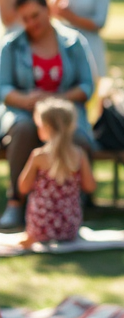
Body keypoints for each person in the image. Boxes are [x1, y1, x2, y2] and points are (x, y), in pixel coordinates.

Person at [0, 0, 96, 230]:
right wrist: (27, 100)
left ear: (47, 9)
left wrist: (59, 99)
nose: (31, 23)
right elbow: (3, 87)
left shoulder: (73, 41)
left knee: (78, 139)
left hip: (65, 114)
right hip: (26, 113)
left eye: (35, 15)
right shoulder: (12, 45)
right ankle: (15, 202)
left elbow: (87, 86)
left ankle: (75, 203)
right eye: (25, 19)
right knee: (23, 130)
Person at [18, 97, 96, 246]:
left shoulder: (38, 156)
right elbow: (90, 186)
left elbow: (23, 187)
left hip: (40, 228)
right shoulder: (79, 155)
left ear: (46, 127)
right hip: (69, 228)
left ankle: (34, 235)